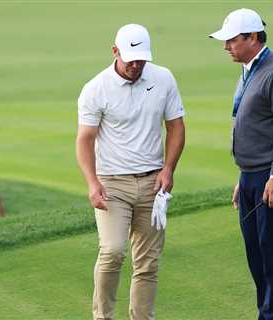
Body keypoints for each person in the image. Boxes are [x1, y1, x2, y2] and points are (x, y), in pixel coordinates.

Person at [76, 24, 185, 320]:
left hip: (153, 183)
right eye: (130, 59)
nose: (136, 65)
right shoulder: (95, 88)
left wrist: (169, 168)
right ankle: (103, 317)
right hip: (113, 184)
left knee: (148, 262)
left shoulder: (163, 78)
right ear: (115, 52)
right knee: (112, 251)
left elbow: (175, 126)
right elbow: (84, 139)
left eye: (141, 59)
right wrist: (92, 182)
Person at [209, 8, 273, 320]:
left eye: (232, 40)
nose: (226, 47)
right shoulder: (250, 69)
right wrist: (244, 176)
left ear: (252, 37)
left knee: (272, 249)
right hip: (251, 176)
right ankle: (267, 312)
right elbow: (258, 128)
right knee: (256, 252)